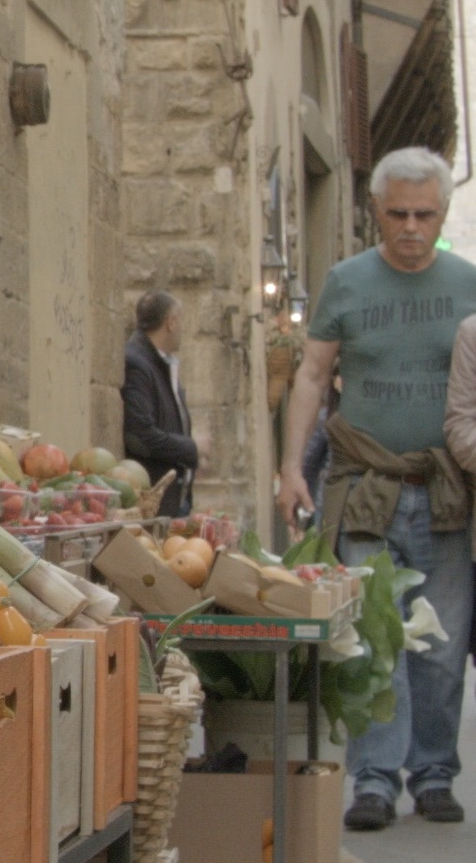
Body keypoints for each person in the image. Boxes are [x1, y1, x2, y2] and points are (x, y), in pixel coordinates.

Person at [278, 146, 476, 830]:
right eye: (399, 214)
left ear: (443, 212)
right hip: (364, 485)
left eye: (425, 214)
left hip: (448, 490)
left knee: (444, 647)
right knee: (368, 638)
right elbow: (311, 374)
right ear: (376, 212)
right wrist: (290, 467)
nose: (412, 227)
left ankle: (433, 773)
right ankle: (372, 779)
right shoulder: (348, 282)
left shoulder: (469, 284)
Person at [122, 291, 201, 516]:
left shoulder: (160, 363)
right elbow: (140, 436)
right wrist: (191, 448)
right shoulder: (136, 363)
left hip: (175, 500)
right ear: (171, 322)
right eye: (181, 321)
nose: (182, 329)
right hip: (155, 502)